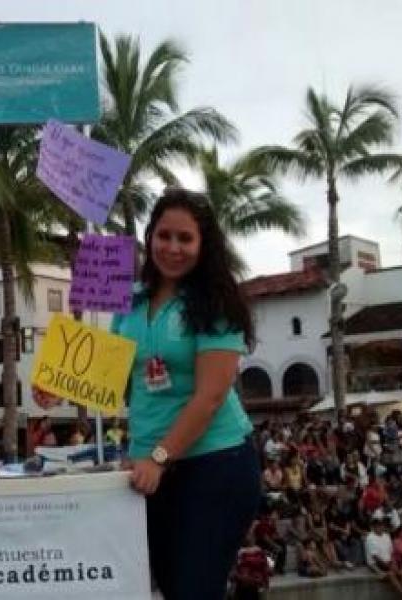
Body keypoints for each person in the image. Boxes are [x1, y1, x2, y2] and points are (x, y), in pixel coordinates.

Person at [36, 188, 261, 599]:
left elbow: (210, 398)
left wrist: (159, 457)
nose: (173, 248)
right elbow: (117, 375)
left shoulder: (216, 305)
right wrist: (57, 383)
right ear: (150, 236)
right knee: (173, 588)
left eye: (185, 238)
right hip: (151, 472)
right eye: (164, 235)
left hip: (215, 464)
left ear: (204, 245)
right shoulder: (131, 302)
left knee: (195, 592)